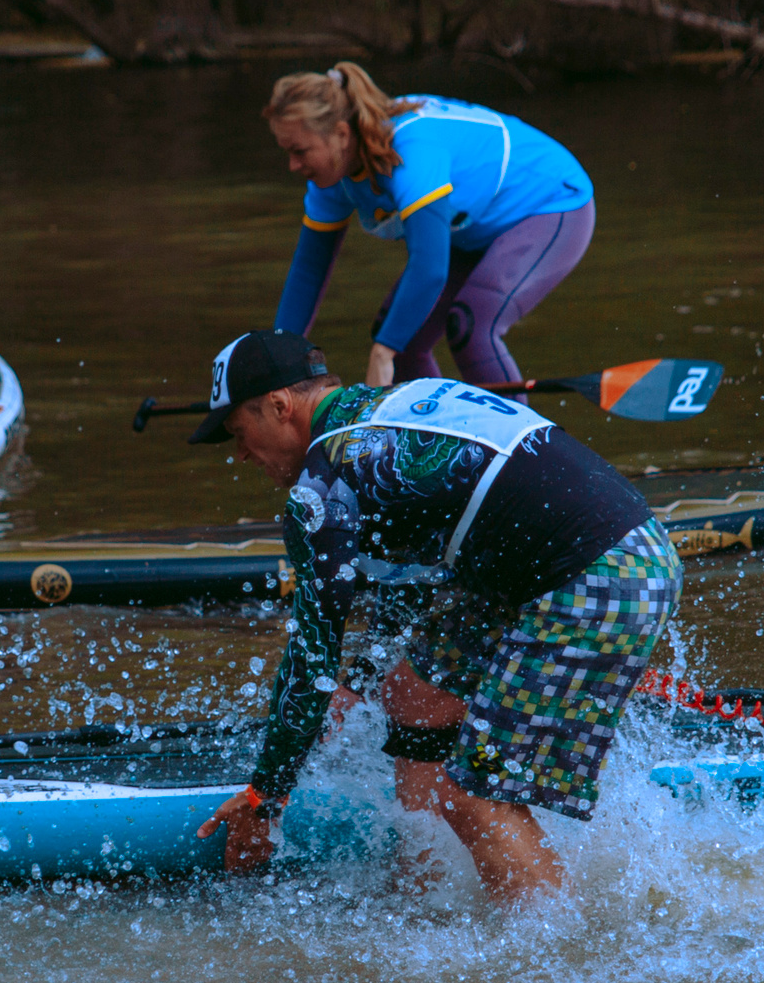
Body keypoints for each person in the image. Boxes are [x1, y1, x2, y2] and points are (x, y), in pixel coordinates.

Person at [191, 329, 680, 902]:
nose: (242, 454)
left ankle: (551, 959)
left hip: (598, 580)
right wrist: (357, 683)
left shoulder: (321, 488)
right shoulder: (400, 403)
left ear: (279, 406)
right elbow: (417, 571)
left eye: (238, 433)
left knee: (471, 791)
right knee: (414, 696)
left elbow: (309, 662)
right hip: (632, 552)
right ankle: (420, 890)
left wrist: (263, 798)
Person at [265, 63, 596, 390]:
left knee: (469, 325)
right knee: (402, 335)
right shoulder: (332, 179)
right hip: (472, 227)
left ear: (340, 134)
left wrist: (382, 354)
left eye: (299, 151)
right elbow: (310, 269)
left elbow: (429, 266)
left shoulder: (412, 150)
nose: (293, 166)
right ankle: (439, 438)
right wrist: (278, 361)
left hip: (551, 203)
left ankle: (522, 442)